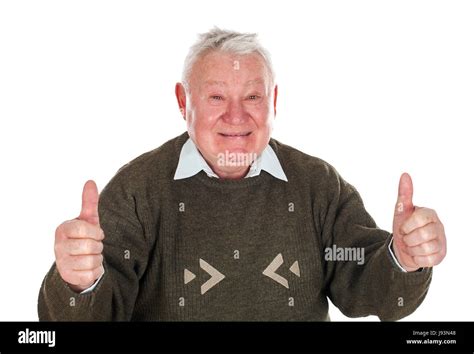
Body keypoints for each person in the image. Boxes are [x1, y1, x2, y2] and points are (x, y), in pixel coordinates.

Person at [38, 28, 446, 321]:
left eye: (252, 96)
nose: (236, 116)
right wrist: (76, 284)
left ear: (273, 101)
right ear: (183, 101)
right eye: (216, 97)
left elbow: (367, 286)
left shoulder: (318, 184)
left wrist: (403, 260)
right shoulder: (138, 190)